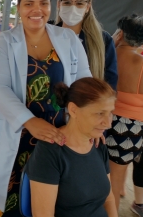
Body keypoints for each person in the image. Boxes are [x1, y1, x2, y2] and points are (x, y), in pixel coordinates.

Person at [0, 0, 92, 216]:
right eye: (29, 3)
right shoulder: (5, 41)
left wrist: (91, 123)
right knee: (8, 201)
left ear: (52, 6)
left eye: (43, 3)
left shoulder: (68, 39)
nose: (36, 10)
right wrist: (29, 121)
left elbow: (84, 83)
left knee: (47, 203)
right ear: (19, 7)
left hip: (59, 134)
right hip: (17, 135)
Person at [26, 77, 117, 217]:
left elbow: (109, 199)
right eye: (100, 113)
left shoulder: (98, 144)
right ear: (73, 110)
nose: (108, 123)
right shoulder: (50, 151)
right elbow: (43, 214)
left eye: (110, 113)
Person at [106, 14, 143, 214]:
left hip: (101, 120)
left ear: (120, 33)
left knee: (107, 175)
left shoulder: (107, 55)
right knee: (116, 178)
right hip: (130, 128)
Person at [54, 0, 118, 90]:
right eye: (67, 3)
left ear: (88, 7)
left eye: (79, 3)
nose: (72, 8)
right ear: (59, 4)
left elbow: (110, 85)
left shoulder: (103, 40)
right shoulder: (46, 34)